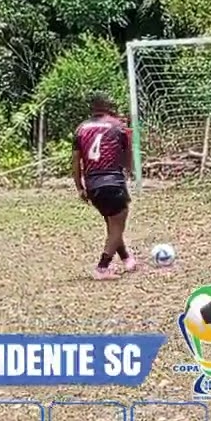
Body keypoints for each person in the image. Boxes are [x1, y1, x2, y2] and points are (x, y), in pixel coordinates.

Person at [72, 93, 139, 281]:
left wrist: (79, 187)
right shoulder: (119, 126)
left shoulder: (81, 129)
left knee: (112, 223)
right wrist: (129, 171)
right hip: (112, 180)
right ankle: (102, 267)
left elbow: (76, 162)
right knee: (119, 222)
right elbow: (128, 156)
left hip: (93, 184)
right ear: (107, 106)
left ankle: (127, 259)